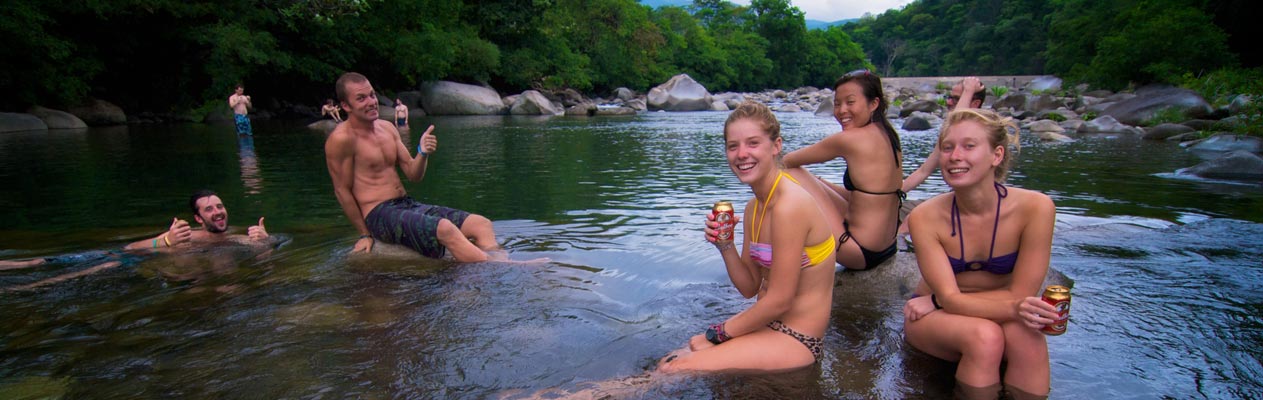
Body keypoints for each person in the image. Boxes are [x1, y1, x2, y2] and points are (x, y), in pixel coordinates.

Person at [658, 102, 836, 373]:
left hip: (798, 339)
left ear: (776, 145)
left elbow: (780, 300)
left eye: (753, 143)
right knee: (671, 360)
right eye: (733, 146)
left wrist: (716, 334)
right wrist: (725, 245)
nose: (742, 154)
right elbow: (750, 286)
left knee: (674, 369)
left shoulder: (790, 205)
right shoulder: (754, 207)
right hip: (765, 326)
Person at [902, 109, 1057, 400]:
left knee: (1029, 339)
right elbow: (953, 298)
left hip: (940, 304)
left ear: (996, 155)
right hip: (937, 318)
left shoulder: (1036, 209)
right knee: (985, 337)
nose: (954, 156)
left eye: (969, 146)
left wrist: (936, 300)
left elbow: (1022, 293)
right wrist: (941, 301)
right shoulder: (925, 217)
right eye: (947, 148)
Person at [324, 72, 502, 262]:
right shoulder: (341, 139)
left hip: (406, 204)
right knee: (445, 228)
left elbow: (412, 173)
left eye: (372, 95)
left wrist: (422, 152)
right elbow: (342, 190)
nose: (371, 102)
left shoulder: (387, 128)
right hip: (378, 214)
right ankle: (508, 267)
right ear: (345, 106)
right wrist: (364, 234)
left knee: (481, 224)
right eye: (361, 98)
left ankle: (495, 267)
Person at [2, 190, 271, 291]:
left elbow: (264, 257)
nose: (218, 211)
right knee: (44, 261)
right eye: (209, 209)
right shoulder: (186, 235)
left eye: (219, 206)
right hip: (131, 258)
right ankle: (11, 267)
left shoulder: (237, 237)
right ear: (198, 218)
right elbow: (130, 248)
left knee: (86, 272)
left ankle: (21, 289)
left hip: (135, 267)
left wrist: (265, 242)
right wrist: (165, 241)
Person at [783, 70, 903, 271]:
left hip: (858, 251)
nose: (841, 110)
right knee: (808, 178)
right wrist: (817, 182)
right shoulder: (889, 135)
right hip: (888, 247)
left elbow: (787, 161)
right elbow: (866, 197)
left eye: (850, 102)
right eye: (837, 104)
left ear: (873, 103)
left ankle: (782, 254)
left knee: (790, 174)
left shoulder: (849, 139)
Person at [899, 77, 990, 235]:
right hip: (952, 200)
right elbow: (923, 171)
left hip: (971, 207)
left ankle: (894, 254)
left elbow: (955, 122)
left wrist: (968, 90)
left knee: (914, 218)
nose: (948, 103)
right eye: (948, 97)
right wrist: (890, 195)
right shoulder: (948, 140)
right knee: (888, 210)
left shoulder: (986, 131)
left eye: (955, 99)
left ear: (974, 103)